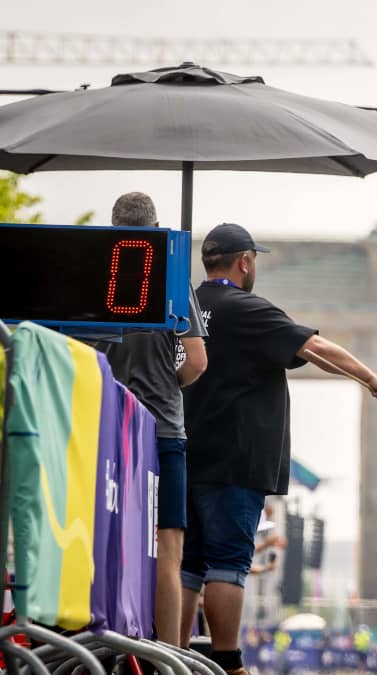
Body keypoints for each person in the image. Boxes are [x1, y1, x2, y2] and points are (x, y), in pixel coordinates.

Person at [181, 223, 377, 675]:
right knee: (227, 565)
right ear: (245, 261)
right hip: (235, 462)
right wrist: (372, 380)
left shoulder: (186, 307)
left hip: (183, 455)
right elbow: (314, 347)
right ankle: (227, 661)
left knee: (188, 565)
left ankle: (174, 655)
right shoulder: (246, 308)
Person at [92, 192, 208, 646]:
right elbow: (197, 362)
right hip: (163, 430)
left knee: (110, 538)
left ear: (113, 228)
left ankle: (107, 641)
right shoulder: (174, 279)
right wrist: (166, 384)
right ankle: (169, 654)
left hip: (110, 427)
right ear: (157, 228)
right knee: (169, 546)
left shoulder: (97, 278)